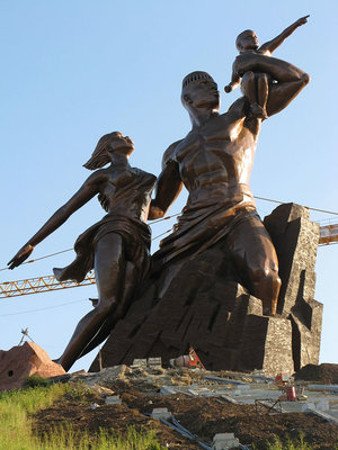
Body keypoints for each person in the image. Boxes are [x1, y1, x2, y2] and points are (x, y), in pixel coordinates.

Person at [149, 67, 309, 317]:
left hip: (238, 212)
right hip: (193, 226)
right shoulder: (175, 151)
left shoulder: (240, 115)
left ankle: (264, 337)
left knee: (265, 275)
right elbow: (157, 208)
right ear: (187, 99)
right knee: (164, 296)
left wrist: (249, 59)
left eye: (213, 82)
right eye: (202, 84)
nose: (212, 86)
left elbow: (299, 79)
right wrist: (122, 201)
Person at [8, 132, 156, 371]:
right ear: (107, 149)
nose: (127, 137)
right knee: (108, 303)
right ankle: (60, 365)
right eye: (119, 136)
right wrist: (32, 243)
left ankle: (67, 362)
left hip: (140, 238)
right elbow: (66, 209)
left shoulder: (147, 177)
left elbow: (156, 210)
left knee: (119, 312)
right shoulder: (103, 176)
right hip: (112, 232)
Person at [224, 15, 309, 118]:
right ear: (240, 46)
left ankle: (261, 108)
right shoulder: (238, 60)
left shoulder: (264, 50)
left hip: (266, 85)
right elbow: (235, 81)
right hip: (249, 85)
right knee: (249, 75)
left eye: (255, 36)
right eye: (248, 37)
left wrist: (296, 24)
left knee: (262, 76)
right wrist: (230, 87)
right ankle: (254, 104)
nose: (254, 38)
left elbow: (282, 36)